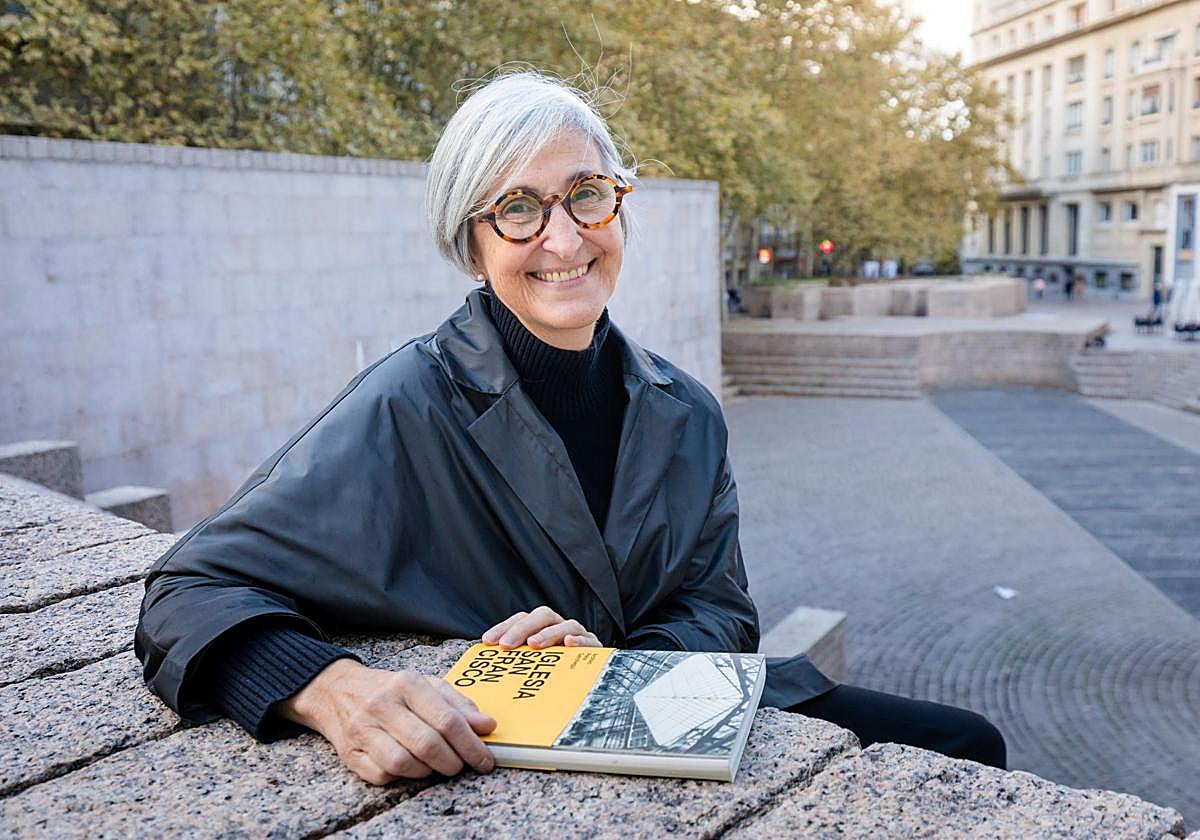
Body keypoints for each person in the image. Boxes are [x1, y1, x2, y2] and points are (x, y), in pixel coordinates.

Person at [135, 71, 1005, 785]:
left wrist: (612, 664)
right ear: (472, 245)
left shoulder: (688, 409)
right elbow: (186, 590)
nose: (562, 237)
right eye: (518, 208)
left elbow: (720, 610)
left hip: (662, 704)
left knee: (970, 747)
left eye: (585, 195)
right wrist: (329, 690)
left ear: (616, 208)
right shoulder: (407, 400)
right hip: (512, 745)